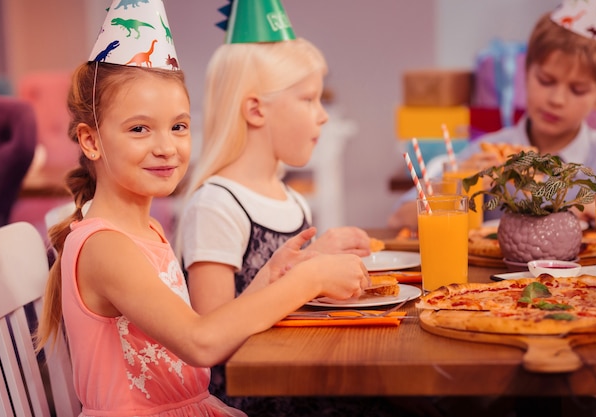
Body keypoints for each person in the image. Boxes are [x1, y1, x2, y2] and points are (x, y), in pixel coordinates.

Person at [34, 2, 369, 416]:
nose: (166, 146)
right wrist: (310, 279)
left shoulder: (146, 231)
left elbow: (203, 327)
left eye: (179, 126)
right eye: (139, 129)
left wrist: (271, 275)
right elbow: (201, 342)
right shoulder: (106, 247)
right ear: (91, 141)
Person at [388, 3, 596, 231]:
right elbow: (398, 219)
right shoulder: (488, 151)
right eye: (545, 80)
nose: (557, 99)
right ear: (525, 73)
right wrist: (464, 185)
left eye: (578, 90)